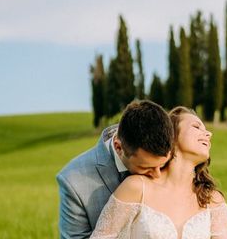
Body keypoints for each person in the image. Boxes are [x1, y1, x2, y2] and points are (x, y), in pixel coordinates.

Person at [90, 106, 227, 239]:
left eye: (205, 129)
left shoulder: (211, 200)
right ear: (172, 136)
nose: (208, 134)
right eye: (196, 127)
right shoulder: (136, 188)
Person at [57, 100, 174, 239]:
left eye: (162, 165)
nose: (157, 175)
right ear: (119, 148)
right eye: (146, 167)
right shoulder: (73, 182)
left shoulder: (175, 153)